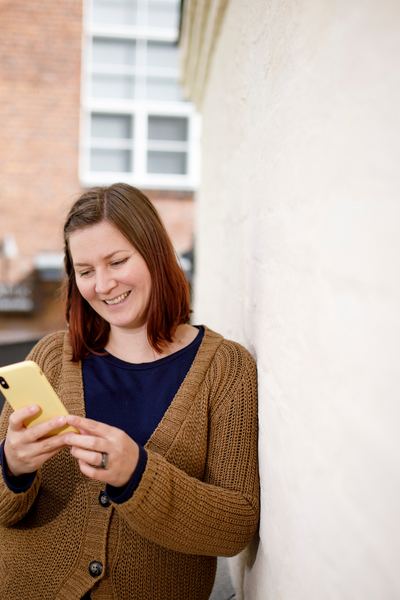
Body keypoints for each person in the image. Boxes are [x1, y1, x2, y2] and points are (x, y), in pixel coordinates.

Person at [0, 183, 259, 600]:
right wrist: (11, 466)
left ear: (155, 253)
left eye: (117, 261)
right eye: (85, 271)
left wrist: (138, 475)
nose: (102, 285)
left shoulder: (227, 369)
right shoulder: (49, 358)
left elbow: (235, 527)